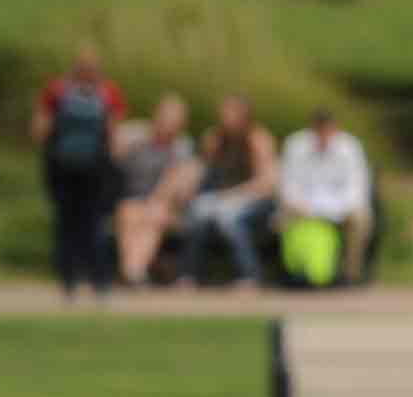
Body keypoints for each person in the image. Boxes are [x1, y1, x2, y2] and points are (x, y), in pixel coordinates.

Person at [33, 45, 125, 302]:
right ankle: (100, 283)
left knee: (65, 225)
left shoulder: (57, 91)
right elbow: (114, 138)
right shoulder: (108, 93)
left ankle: (68, 283)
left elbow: (40, 131)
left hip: (62, 168)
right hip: (95, 169)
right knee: (94, 224)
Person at [178, 97, 281, 287]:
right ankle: (188, 274)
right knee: (198, 212)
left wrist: (234, 195)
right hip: (221, 198)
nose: (224, 118)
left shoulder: (258, 140)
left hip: (256, 200)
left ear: (243, 117)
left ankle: (249, 275)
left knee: (230, 218)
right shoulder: (215, 139)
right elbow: (200, 170)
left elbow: (267, 183)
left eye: (229, 114)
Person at [274, 105, 375, 288]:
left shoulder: (349, 147)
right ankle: (295, 272)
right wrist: (300, 205)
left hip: (341, 206)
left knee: (360, 220)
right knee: (280, 220)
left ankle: (349, 275)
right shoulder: (295, 145)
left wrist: (340, 208)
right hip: (303, 206)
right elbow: (288, 184)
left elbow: (357, 186)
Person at [109, 92, 201, 289]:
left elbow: (179, 182)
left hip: (167, 204)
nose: (170, 125)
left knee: (154, 214)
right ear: (156, 116)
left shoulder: (182, 146)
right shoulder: (134, 134)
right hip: (131, 199)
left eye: (175, 121)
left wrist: (158, 200)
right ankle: (135, 272)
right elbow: (111, 155)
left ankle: (131, 272)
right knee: (130, 212)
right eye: (167, 118)